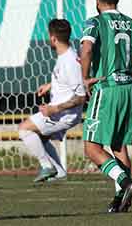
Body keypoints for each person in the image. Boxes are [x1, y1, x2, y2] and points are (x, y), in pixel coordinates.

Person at [80, 0, 132, 213]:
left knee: (91, 148)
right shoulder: (131, 23)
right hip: (128, 88)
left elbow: (86, 49)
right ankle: (121, 201)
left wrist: (85, 78)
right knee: (118, 145)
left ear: (97, 0)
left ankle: (125, 183)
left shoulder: (94, 23)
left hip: (107, 87)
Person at [17, 19, 86, 183]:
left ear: (53, 38)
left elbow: (81, 96)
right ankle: (60, 173)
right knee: (40, 137)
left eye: (49, 36)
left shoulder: (70, 61)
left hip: (64, 114)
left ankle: (47, 166)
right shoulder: (66, 56)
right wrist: (50, 85)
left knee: (24, 129)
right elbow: (67, 80)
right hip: (61, 111)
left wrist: (53, 110)